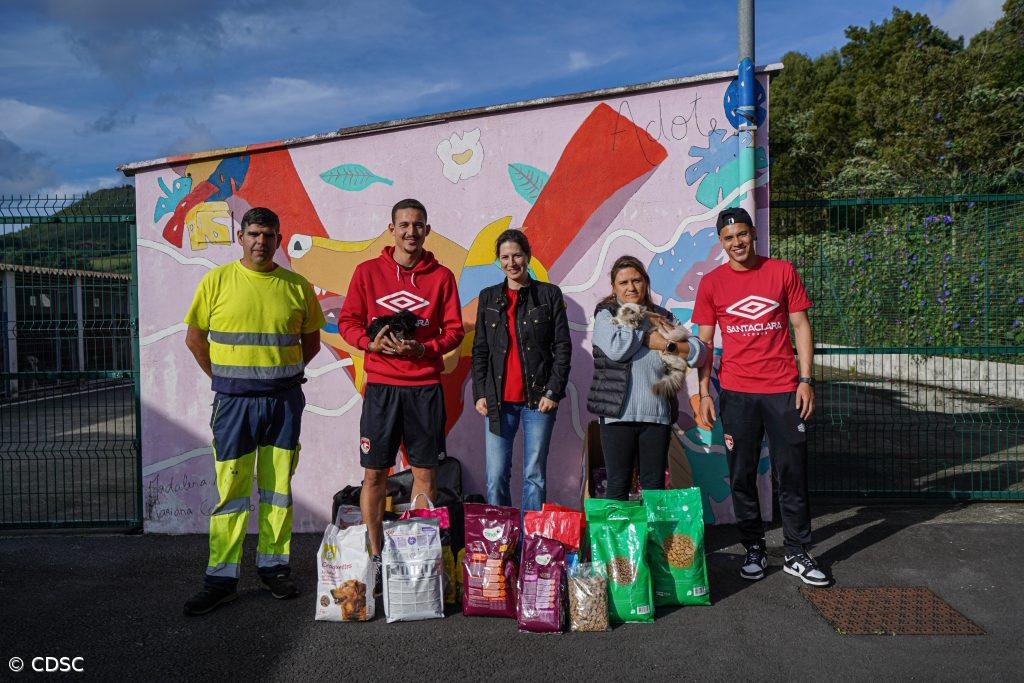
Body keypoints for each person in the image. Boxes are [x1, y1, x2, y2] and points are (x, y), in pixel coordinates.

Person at [182, 207, 325, 616]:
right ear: (241, 237)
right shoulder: (216, 281)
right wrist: (226, 381)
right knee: (231, 491)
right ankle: (221, 577)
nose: (260, 241)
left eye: (268, 234)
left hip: (283, 403)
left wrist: (280, 377)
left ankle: (274, 568)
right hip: (233, 405)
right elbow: (195, 339)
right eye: (253, 233)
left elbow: (310, 344)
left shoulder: (296, 286)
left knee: (277, 490)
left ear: (279, 240)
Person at [692, 206, 828, 587]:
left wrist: (806, 379)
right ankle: (753, 547)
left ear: (753, 234)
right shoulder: (712, 283)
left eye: (742, 235)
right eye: (728, 238)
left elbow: (800, 325)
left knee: (793, 473)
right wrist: (702, 391)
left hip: (784, 391)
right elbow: (702, 344)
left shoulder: (781, 271)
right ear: (722, 243)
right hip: (736, 394)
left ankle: (797, 552)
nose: (736, 243)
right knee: (741, 475)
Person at [337, 198, 464, 590]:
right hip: (382, 389)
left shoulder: (441, 277)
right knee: (374, 474)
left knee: (426, 474)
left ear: (427, 230)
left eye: (419, 225)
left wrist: (423, 350)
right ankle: (376, 558)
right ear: (391, 229)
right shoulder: (367, 272)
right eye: (404, 224)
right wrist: (370, 345)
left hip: (425, 388)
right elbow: (347, 321)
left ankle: (416, 560)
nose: (411, 231)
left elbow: (454, 330)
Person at [587, 255, 704, 500]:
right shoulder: (605, 316)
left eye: (637, 280)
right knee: (618, 485)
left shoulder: (664, 316)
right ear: (614, 287)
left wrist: (668, 346)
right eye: (623, 282)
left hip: (657, 416)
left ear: (645, 282)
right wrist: (641, 321)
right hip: (617, 416)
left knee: (654, 488)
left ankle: (653, 539)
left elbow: (697, 353)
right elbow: (617, 350)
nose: (631, 287)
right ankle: (618, 540)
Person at [471, 229, 571, 511]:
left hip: (538, 402)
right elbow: (480, 350)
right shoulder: (488, 298)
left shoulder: (548, 295)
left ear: (527, 257)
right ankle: (502, 544)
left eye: (516, 255)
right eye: (505, 257)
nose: (511, 262)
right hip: (497, 401)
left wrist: (553, 390)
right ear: (498, 261)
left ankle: (530, 546)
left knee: (534, 476)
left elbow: (562, 347)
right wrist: (480, 393)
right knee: (495, 476)